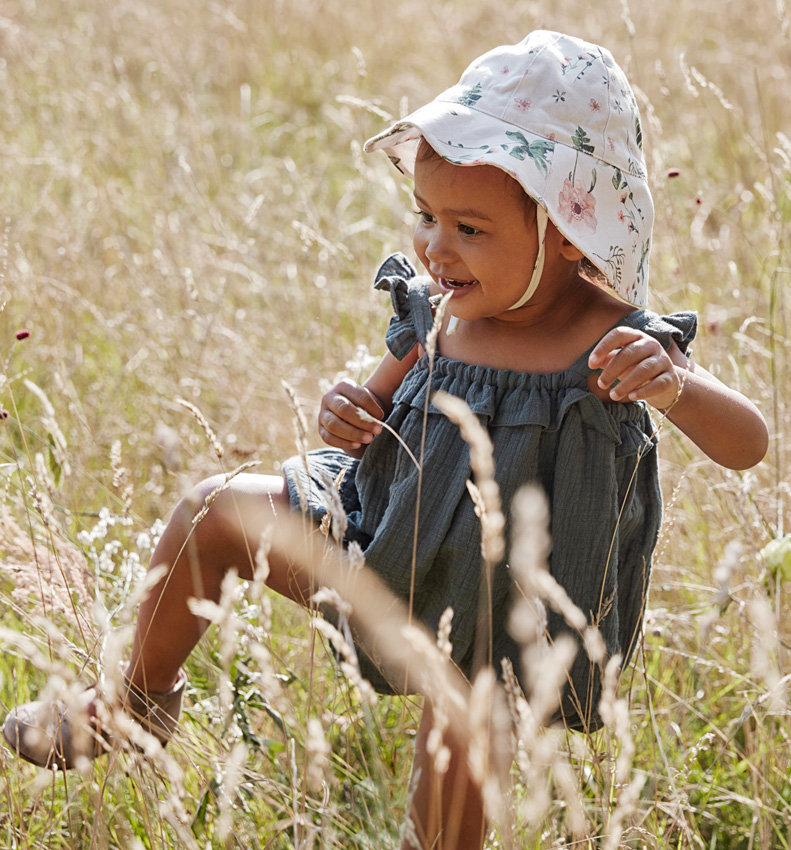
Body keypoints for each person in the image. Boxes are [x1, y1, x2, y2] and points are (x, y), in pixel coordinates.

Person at [3, 30, 768, 850]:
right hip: (379, 555)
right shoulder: (438, 311)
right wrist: (345, 407)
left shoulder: (614, 339)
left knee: (450, 790)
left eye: (469, 229)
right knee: (214, 512)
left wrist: (673, 385)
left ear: (570, 231)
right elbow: (369, 402)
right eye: (426, 216)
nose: (435, 249)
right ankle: (128, 706)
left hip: (494, 638)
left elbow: (746, 443)